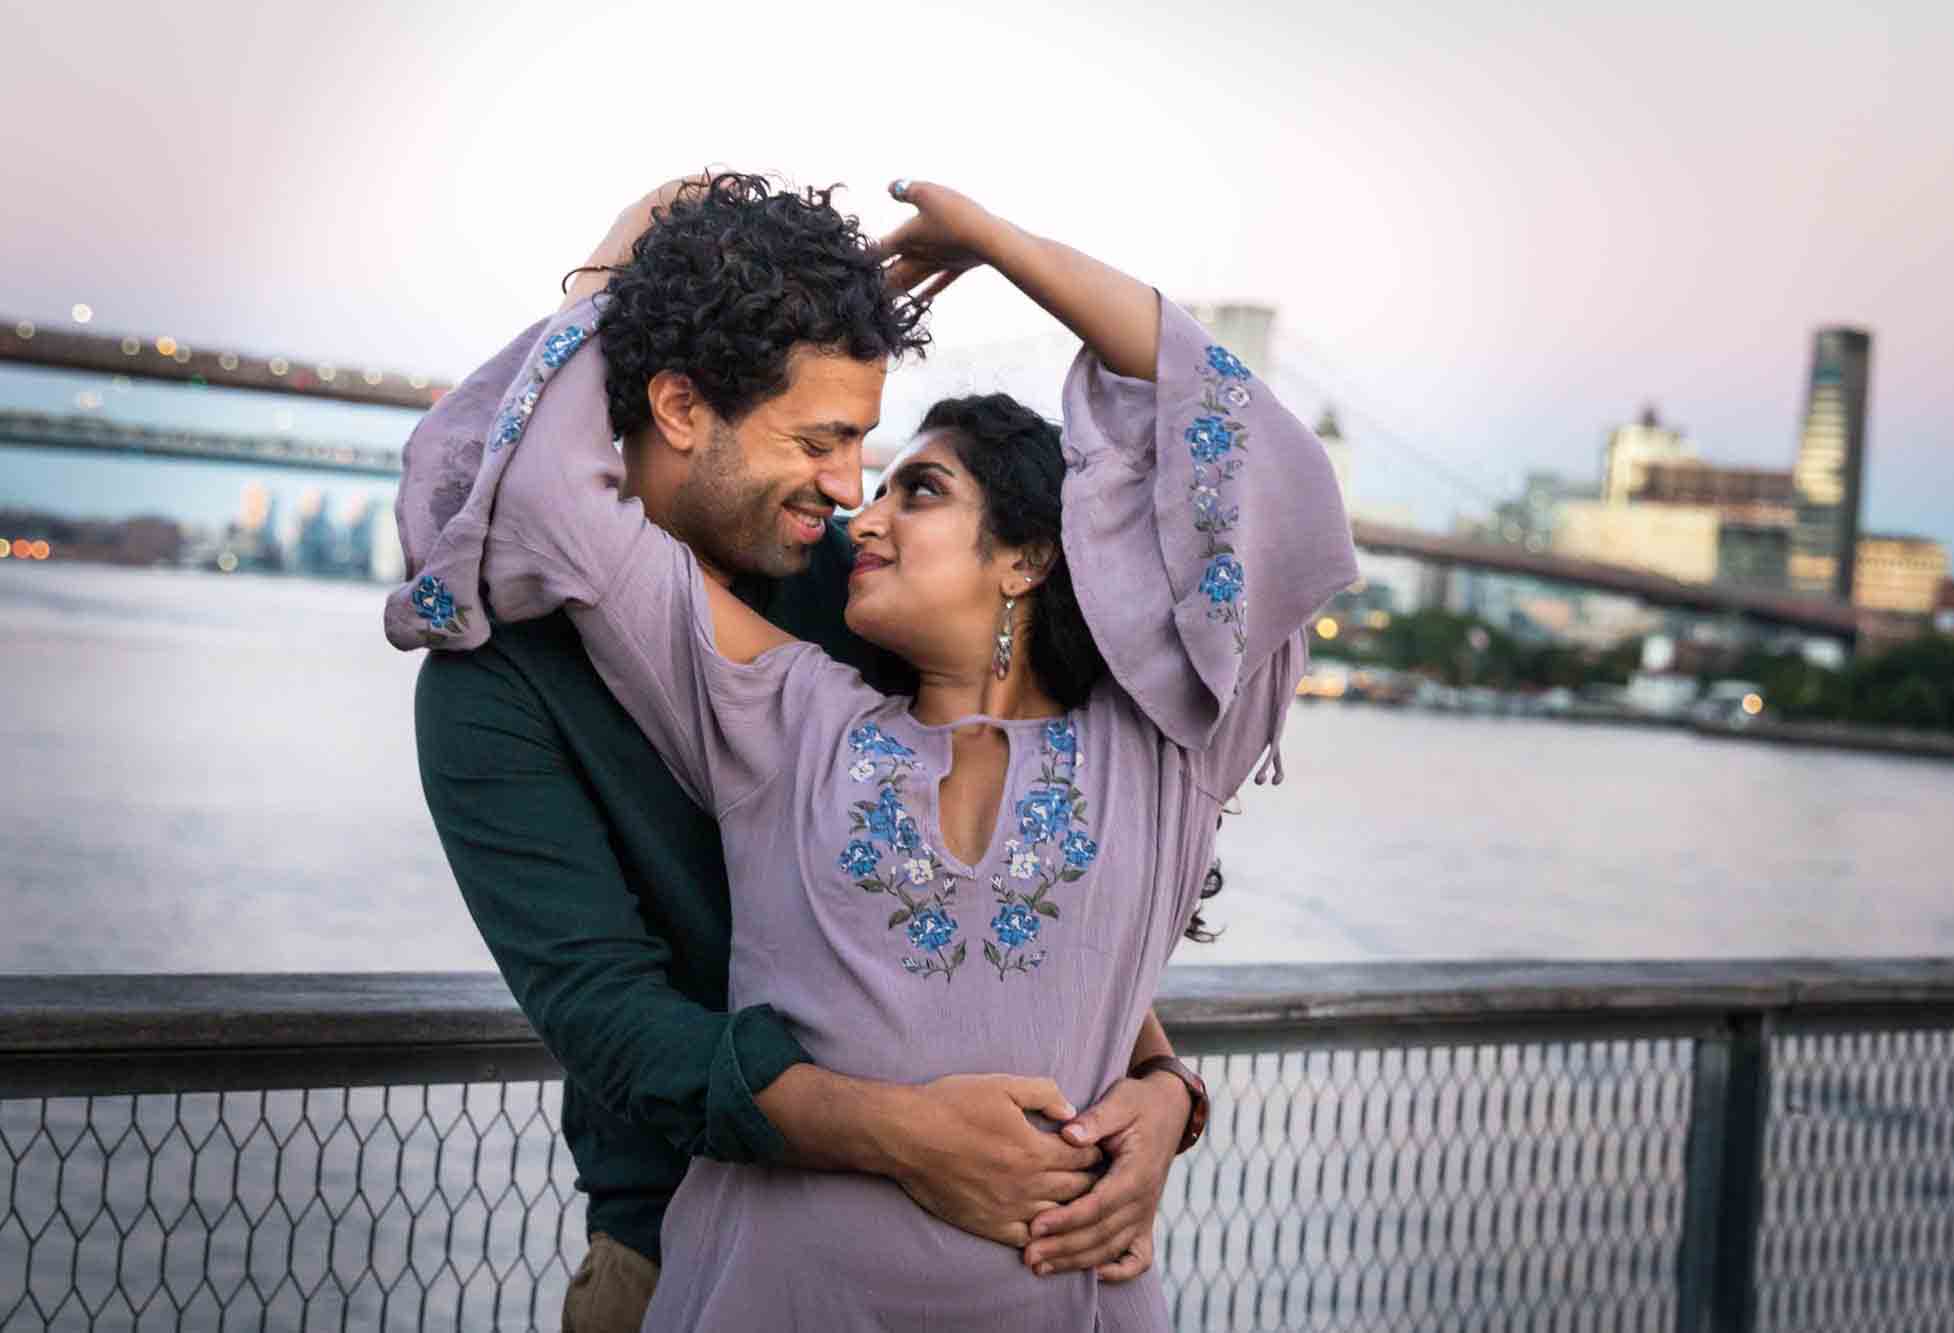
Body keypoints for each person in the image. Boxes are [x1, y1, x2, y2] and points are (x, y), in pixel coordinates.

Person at [401, 175, 1358, 1329]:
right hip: (694, 1258)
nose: (851, 499)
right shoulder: (696, 696)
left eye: (895, 468)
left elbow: (1044, 925)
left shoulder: (876, 610)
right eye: (826, 441)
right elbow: (612, 1019)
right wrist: (618, 269)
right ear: (679, 407)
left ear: (1025, 559)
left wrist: (1155, 1087)